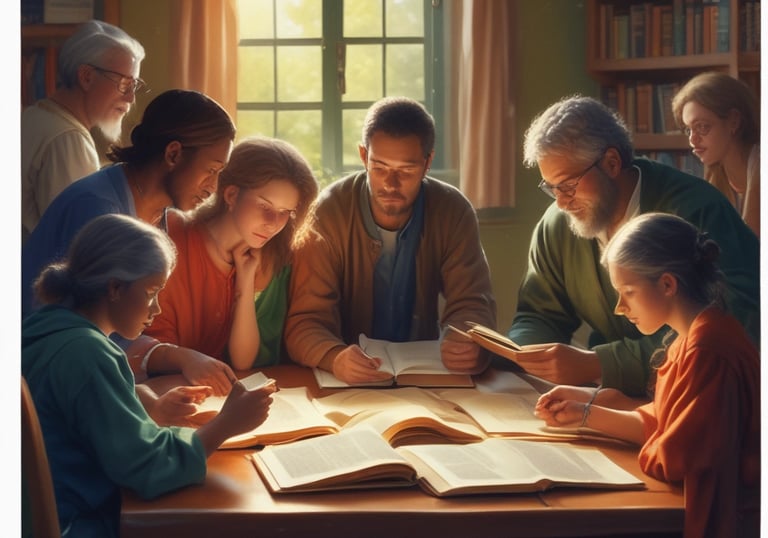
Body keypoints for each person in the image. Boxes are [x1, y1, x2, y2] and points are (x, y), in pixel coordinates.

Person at [21, 213, 277, 537]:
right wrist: (228, 422)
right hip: (78, 525)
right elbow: (147, 468)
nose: (155, 309)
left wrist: (146, 407)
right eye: (151, 292)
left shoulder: (44, 329)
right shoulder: (87, 354)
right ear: (115, 287)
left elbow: (76, 416)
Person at [505, 95, 759, 397]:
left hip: (707, 396)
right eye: (551, 188)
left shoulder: (695, 210)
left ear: (612, 163)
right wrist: (522, 355)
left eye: (568, 185)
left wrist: (599, 364)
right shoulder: (558, 224)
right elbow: (538, 314)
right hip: (611, 397)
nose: (560, 201)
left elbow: (736, 320)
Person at [534, 212, 759, 538]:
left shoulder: (708, 350)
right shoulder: (691, 337)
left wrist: (647, 439)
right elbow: (665, 424)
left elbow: (674, 456)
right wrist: (584, 412)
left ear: (667, 284)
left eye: (628, 291)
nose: (619, 308)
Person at [284, 96, 497, 384]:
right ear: (363, 156)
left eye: (406, 171)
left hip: (424, 377)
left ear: (428, 162)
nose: (390, 184)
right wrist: (333, 356)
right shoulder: (328, 211)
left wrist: (470, 344)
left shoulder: (453, 210)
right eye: (379, 167)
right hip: (348, 380)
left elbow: (472, 304)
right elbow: (304, 321)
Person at [125, 136, 319, 394]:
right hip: (145, 392)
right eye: (264, 205)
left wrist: (245, 284)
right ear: (231, 194)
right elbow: (134, 354)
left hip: (202, 396)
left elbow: (242, 362)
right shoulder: (169, 233)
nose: (273, 222)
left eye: (286, 212)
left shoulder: (253, 259)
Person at [22, 88, 236, 319]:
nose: (213, 187)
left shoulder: (159, 212)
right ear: (173, 154)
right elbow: (84, 329)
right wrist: (159, 353)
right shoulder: (97, 210)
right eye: (211, 170)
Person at [22, 19, 146, 242]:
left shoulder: (35, 116)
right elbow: (78, 245)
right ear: (86, 77)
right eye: (124, 84)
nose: (130, 98)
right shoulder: (67, 140)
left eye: (134, 86)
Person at [671, 71, 760, 238]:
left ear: (733, 121)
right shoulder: (713, 175)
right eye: (688, 129)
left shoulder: (760, 165)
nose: (692, 139)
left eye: (702, 127)